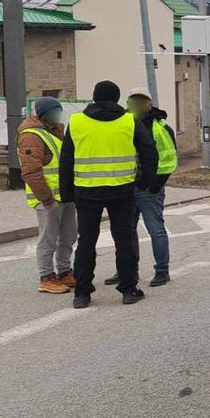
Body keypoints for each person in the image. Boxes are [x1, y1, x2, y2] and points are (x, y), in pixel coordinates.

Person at [60, 80, 158, 309]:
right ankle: (129, 289)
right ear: (116, 98)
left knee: (86, 243)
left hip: (85, 192)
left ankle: (82, 294)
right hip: (121, 190)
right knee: (124, 241)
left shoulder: (76, 121)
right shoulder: (129, 120)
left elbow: (66, 161)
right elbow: (149, 152)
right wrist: (143, 182)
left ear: (94, 97)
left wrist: (67, 193)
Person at [102, 88, 176, 288]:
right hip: (126, 187)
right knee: (126, 232)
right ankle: (126, 270)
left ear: (148, 104)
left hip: (149, 189)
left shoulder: (159, 127)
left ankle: (162, 270)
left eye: (141, 101)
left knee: (155, 230)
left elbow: (169, 159)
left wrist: (156, 184)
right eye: (133, 101)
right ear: (127, 102)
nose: (136, 105)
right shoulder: (122, 123)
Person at [18, 97, 77, 294]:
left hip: (65, 196)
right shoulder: (31, 136)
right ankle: (46, 277)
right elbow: (31, 172)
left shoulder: (56, 131)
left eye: (59, 110)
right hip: (48, 200)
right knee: (48, 239)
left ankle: (64, 271)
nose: (58, 114)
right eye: (54, 111)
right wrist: (46, 199)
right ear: (43, 114)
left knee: (68, 236)